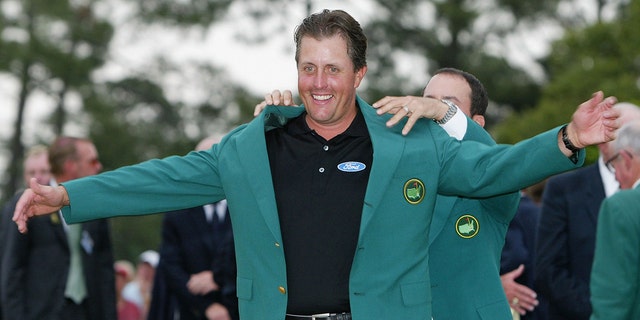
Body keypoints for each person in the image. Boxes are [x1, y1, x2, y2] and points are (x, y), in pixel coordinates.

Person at [12, 9, 619, 320]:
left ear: (360, 74)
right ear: (296, 69)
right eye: (309, 67)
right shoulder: (255, 145)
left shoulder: (412, 142)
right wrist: (67, 195)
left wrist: (566, 137)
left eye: (333, 68)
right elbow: (163, 179)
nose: (319, 82)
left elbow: (494, 172)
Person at [535, 102, 640, 320]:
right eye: (627, 137)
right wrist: (600, 311)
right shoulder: (564, 189)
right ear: (603, 143)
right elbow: (549, 269)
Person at [2, 136, 116, 320]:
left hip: (87, 311)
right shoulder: (30, 203)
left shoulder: (96, 208)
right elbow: (12, 270)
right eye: (92, 161)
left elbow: (105, 271)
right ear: (71, 165)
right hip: (41, 313)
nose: (98, 167)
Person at [150, 136, 238, 320]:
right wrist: (206, 306)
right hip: (192, 311)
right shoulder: (177, 211)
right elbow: (170, 265)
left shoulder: (246, 207)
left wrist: (218, 278)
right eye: (203, 160)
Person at [589, 120, 640, 319]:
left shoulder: (621, 206)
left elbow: (612, 298)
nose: (616, 179)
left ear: (626, 159)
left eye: (612, 165)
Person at [0, 145, 52, 320]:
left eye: (44, 171)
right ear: (24, 176)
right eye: (32, 172)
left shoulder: (60, 209)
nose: (38, 177)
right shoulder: (18, 208)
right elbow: (11, 268)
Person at [501, 180, 548, 320]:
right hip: (542, 305)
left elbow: (515, 256)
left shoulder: (511, 213)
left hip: (521, 305)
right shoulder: (540, 212)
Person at [122, 250, 158, 320]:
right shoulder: (128, 289)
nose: (146, 271)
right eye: (144, 266)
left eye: (150, 268)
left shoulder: (160, 292)